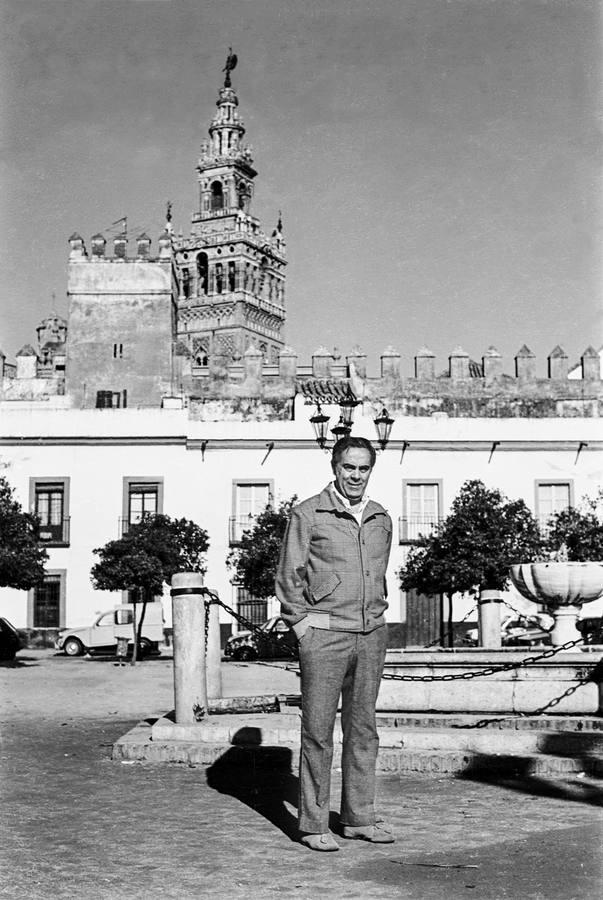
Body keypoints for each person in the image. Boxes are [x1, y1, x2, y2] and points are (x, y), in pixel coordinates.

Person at [275, 435, 394, 852]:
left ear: (370, 471)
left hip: (371, 635)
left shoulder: (381, 517)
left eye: (363, 468)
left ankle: (358, 818)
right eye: (349, 467)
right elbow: (289, 578)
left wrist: (377, 620)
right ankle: (312, 825)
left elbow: (377, 576)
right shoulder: (308, 513)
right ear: (335, 467)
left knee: (363, 730)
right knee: (318, 732)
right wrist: (306, 629)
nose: (356, 476)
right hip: (324, 636)